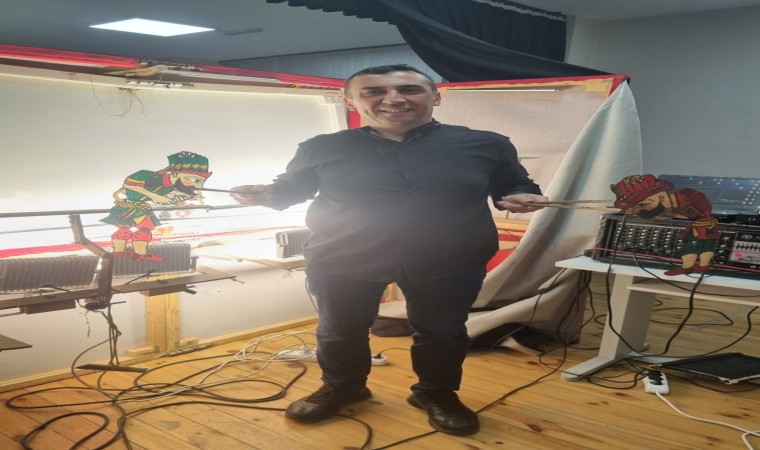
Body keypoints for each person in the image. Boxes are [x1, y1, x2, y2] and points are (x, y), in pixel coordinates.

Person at [230, 64, 547, 436]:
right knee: (339, 329)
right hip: (342, 254)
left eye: (409, 90)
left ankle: (436, 393)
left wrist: (524, 197)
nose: (393, 99)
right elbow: (289, 189)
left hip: (449, 256)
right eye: (374, 91)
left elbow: (513, 185)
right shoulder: (320, 147)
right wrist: (266, 194)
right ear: (351, 101)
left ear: (435, 97)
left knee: (443, 332)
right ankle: (344, 386)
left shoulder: (487, 144)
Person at [101, 151, 211, 261]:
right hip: (128, 206)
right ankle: (118, 252)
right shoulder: (146, 175)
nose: (198, 185)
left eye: (201, 182)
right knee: (124, 229)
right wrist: (154, 196)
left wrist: (187, 197)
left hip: (144, 209)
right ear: (175, 174)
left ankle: (141, 253)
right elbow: (129, 184)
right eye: (194, 180)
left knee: (145, 230)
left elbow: (166, 200)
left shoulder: (172, 187)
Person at [611, 174, 719, 276]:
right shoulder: (675, 201)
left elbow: (695, 213)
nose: (644, 209)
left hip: (702, 227)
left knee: (692, 248)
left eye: (643, 205)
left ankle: (690, 267)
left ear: (661, 197)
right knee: (704, 246)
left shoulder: (686, 198)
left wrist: (668, 214)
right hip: (703, 226)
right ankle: (699, 266)